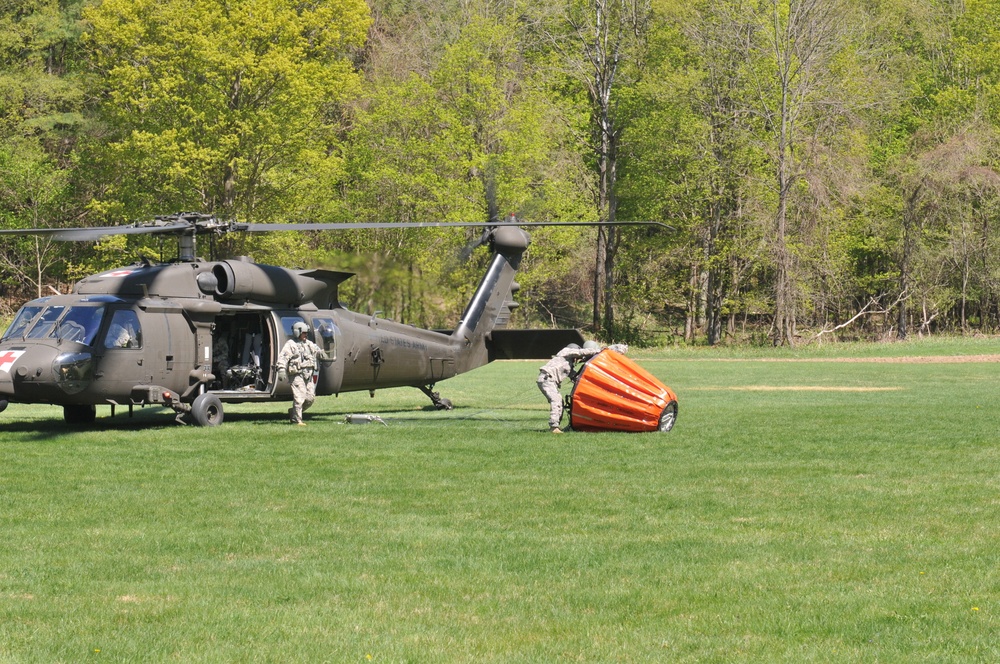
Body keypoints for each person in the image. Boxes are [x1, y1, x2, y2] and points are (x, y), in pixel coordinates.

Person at [537, 340, 627, 433]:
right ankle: (554, 427)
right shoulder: (565, 352)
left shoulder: (568, 363)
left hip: (547, 380)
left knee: (559, 401)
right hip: (547, 379)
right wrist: (598, 350)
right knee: (556, 401)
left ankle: (556, 426)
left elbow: (574, 376)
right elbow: (580, 352)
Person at [276, 321, 324, 425]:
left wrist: (324, 353)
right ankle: (297, 420)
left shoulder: (309, 344)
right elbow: (283, 357)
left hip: (309, 375)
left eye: (307, 333)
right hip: (297, 375)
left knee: (310, 398)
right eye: (304, 333)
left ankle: (293, 412)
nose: (306, 335)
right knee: (299, 397)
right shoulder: (291, 344)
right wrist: (281, 369)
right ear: (298, 332)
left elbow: (317, 352)